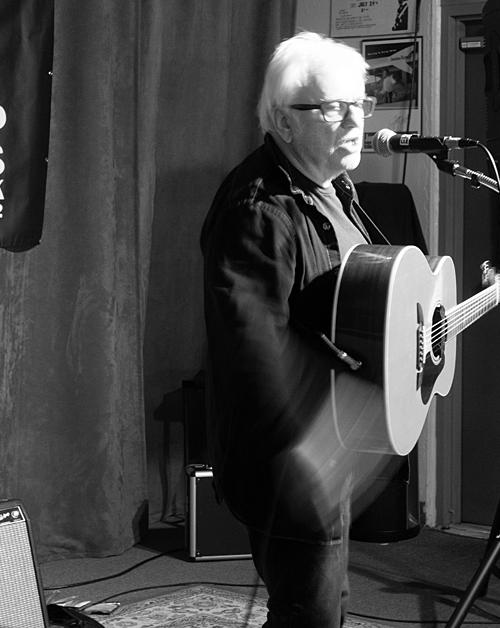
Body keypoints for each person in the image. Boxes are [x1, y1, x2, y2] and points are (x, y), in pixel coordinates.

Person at [200, 31, 388, 627]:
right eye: (335, 107)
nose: (355, 119)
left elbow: (356, 306)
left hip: (332, 445)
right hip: (294, 459)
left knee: (324, 605)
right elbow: (256, 349)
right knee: (310, 613)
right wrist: (332, 437)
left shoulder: (335, 190)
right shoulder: (259, 210)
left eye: (361, 103)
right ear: (284, 121)